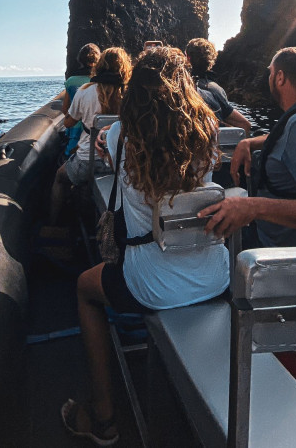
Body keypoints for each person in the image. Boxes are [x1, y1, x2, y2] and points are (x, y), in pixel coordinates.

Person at [61, 46, 229, 446]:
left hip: (150, 283)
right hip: (215, 275)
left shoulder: (119, 134)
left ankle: (103, 418)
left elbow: (111, 148)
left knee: (86, 289)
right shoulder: (207, 131)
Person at [199, 47, 296, 272]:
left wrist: (253, 207)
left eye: (270, 73)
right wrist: (251, 142)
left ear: (280, 77)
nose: (269, 78)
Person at [49, 47, 132, 226]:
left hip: (88, 160)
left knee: (59, 178)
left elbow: (69, 123)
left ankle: (54, 224)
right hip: (122, 162)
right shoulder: (130, 94)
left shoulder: (85, 91)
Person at [185, 38, 251, 135]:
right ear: (211, 61)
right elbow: (245, 125)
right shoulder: (217, 90)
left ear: (188, 58)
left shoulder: (182, 88)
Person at [62, 44, 101, 157]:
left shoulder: (71, 81)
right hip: (95, 130)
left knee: (70, 155)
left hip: (75, 128)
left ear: (80, 60)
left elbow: (65, 109)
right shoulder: (100, 83)